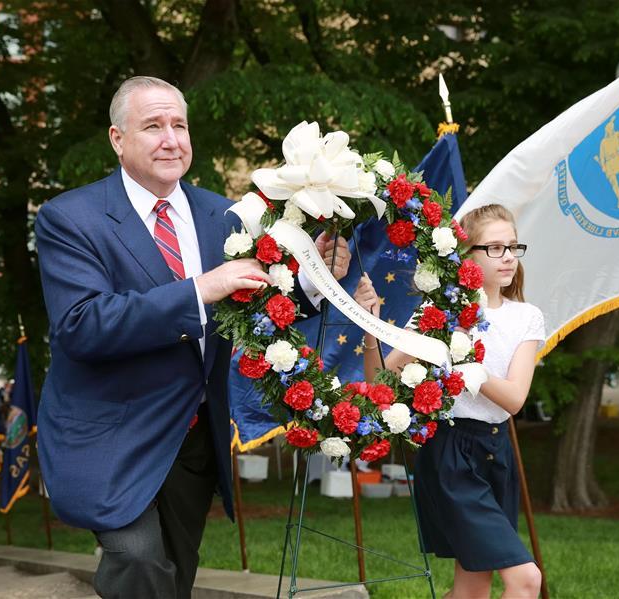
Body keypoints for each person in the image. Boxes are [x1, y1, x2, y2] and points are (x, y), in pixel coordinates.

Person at [34, 76, 350, 599]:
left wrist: (315, 282)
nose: (170, 139)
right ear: (117, 139)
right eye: (152, 126)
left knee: (175, 576)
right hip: (110, 434)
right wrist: (200, 288)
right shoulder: (70, 218)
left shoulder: (225, 215)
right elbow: (83, 325)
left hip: (192, 436)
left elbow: (253, 309)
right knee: (137, 561)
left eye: (178, 125)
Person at [355, 204, 543, 599]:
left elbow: (514, 399)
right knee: (526, 580)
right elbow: (380, 383)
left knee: (473, 586)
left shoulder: (527, 316)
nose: (508, 257)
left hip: (497, 453)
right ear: (467, 256)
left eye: (513, 246)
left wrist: (467, 363)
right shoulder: (438, 311)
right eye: (495, 248)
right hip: (449, 453)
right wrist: (370, 327)